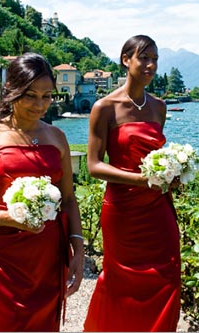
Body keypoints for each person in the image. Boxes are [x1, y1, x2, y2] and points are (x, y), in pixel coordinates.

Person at [0, 53, 84, 332]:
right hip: (0, 256)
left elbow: (68, 198)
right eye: (31, 95)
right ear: (11, 91)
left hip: (47, 255)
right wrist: (7, 218)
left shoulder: (57, 138)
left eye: (47, 96)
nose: (40, 105)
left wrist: (78, 250)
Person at [83, 35, 181, 331]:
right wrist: (141, 180)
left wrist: (173, 175)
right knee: (121, 280)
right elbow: (94, 165)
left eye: (155, 59)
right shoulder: (105, 107)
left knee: (167, 277)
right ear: (126, 60)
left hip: (157, 207)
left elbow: (155, 158)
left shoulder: (159, 107)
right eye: (144, 58)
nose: (151, 65)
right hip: (123, 210)